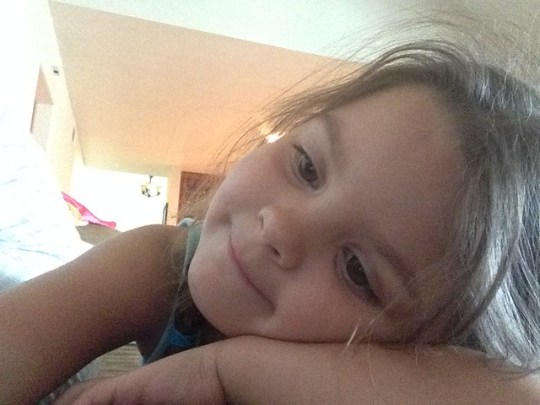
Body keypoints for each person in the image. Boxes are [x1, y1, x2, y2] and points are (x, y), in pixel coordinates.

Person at [1, 31, 540, 404]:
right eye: (306, 165)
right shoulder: (159, 266)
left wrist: (223, 372)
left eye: (356, 269)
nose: (281, 226)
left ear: (436, 354)